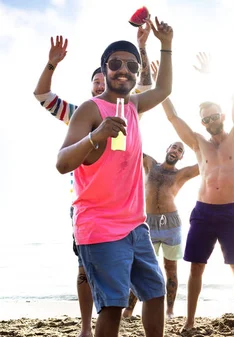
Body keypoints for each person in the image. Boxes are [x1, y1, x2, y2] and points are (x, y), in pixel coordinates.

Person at [55, 16, 174, 337]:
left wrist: (165, 45)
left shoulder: (134, 105)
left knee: (155, 292)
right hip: (99, 226)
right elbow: (62, 162)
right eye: (116, 63)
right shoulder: (90, 110)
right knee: (112, 306)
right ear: (104, 68)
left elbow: (164, 88)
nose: (124, 70)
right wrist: (97, 136)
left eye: (132, 66)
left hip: (135, 224)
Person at [33, 23, 152, 337]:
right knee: (85, 270)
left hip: (127, 211)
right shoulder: (79, 113)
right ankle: (86, 326)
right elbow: (42, 95)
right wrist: (52, 64)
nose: (103, 84)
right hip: (90, 208)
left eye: (106, 80)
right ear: (92, 87)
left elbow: (147, 86)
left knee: (132, 278)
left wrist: (143, 48)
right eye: (97, 81)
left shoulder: (129, 107)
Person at [159, 53, 234, 332]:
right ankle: (188, 322)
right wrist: (160, 90)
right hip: (203, 211)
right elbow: (173, 117)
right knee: (196, 267)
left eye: (213, 116)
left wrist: (215, 75)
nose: (209, 122)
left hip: (230, 212)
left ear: (221, 116)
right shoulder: (199, 143)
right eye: (205, 120)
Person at [122, 140, 199, 319]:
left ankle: (170, 310)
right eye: (174, 147)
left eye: (180, 150)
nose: (176, 150)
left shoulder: (181, 174)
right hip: (148, 223)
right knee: (139, 266)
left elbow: (206, 163)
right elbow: (131, 148)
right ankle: (129, 310)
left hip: (171, 224)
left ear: (181, 157)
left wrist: (200, 143)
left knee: (170, 268)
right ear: (167, 149)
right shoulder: (150, 164)